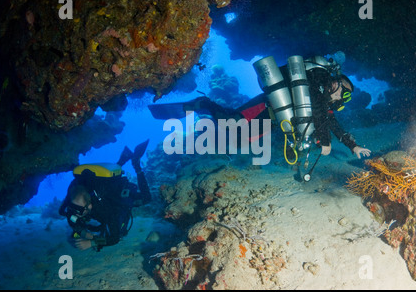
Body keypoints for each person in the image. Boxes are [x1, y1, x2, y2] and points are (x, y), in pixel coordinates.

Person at [181, 55, 371, 160]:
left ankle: (211, 139)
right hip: (266, 104)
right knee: (230, 122)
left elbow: (333, 123)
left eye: (344, 94)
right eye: (337, 84)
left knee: (241, 142)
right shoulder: (318, 81)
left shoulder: (324, 103)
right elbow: (318, 107)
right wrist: (325, 141)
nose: (336, 90)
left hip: (274, 119)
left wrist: (353, 146)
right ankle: (205, 104)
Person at [59, 140, 152, 251]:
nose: (76, 214)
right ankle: (122, 160)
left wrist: (91, 243)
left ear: (89, 205)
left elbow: (115, 238)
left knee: (146, 198)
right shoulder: (73, 200)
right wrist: (84, 233)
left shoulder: (105, 207)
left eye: (79, 212)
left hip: (114, 195)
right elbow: (69, 218)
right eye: (74, 210)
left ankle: (136, 164)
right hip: (100, 185)